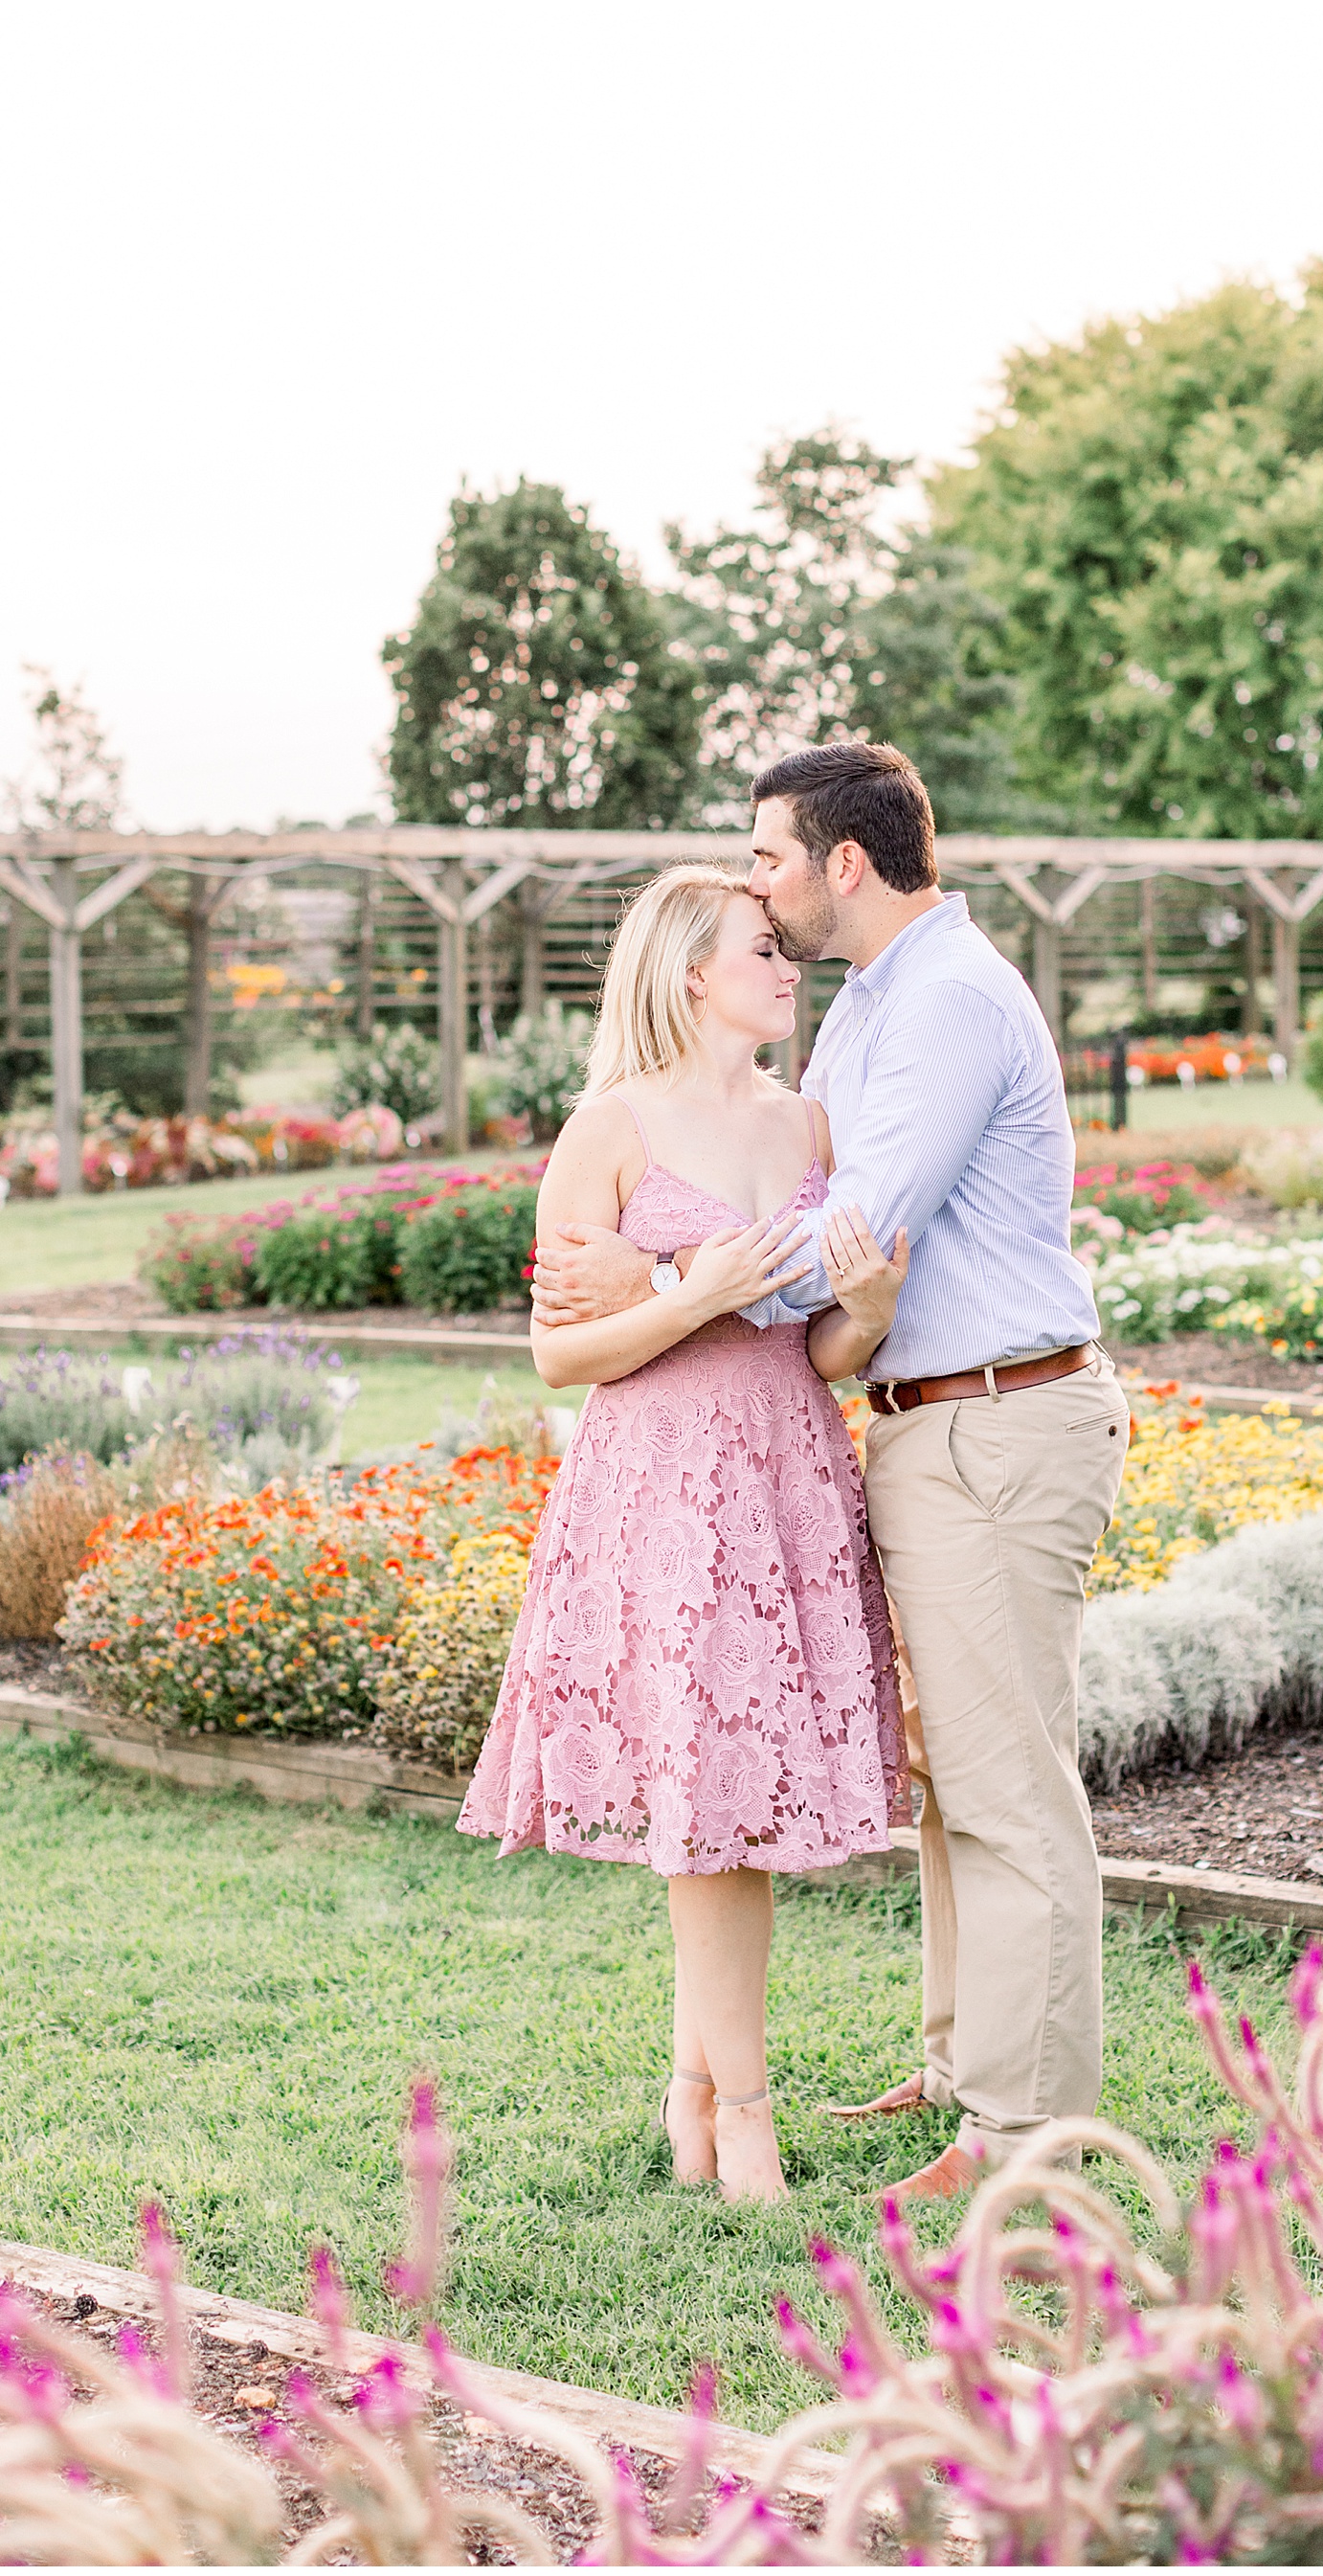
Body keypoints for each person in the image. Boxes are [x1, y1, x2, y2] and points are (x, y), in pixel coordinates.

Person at [530, 743, 1131, 2201]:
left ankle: (1020, 2132)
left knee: (1007, 1789)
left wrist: (655, 1272)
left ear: (841, 865)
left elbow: (850, 1224)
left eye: (771, 860)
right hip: (917, 1420)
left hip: (1000, 1417)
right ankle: (955, 2064)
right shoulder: (871, 1009)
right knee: (955, 1784)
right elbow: (842, 1276)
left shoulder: (951, 1006)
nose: (760, 884)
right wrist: (684, 1282)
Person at [457, 864, 910, 2204]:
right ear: (690, 973)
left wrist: (870, 1313)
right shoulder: (609, 1127)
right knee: (712, 1814)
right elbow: (556, 1353)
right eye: (762, 949)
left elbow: (818, 1346)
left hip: (786, 1478)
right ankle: (745, 2118)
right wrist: (686, 1287)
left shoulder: (806, 1124)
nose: (788, 967)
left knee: (734, 1803)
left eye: (784, 947)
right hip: (659, 1493)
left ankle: (696, 2091)